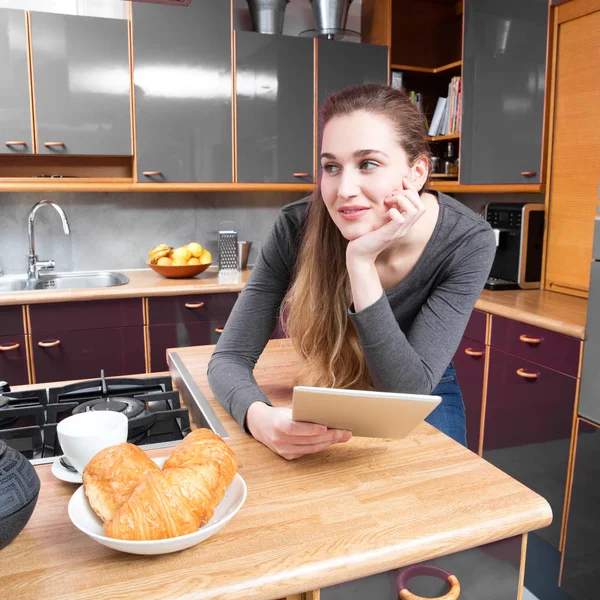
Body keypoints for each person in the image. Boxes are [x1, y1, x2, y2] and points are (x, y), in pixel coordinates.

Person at [208, 84, 496, 460]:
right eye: (331, 167)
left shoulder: (466, 241)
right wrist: (259, 419)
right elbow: (228, 359)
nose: (344, 189)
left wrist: (360, 262)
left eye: (368, 164)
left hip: (418, 383)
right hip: (329, 376)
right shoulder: (296, 226)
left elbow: (404, 391)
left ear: (418, 172)